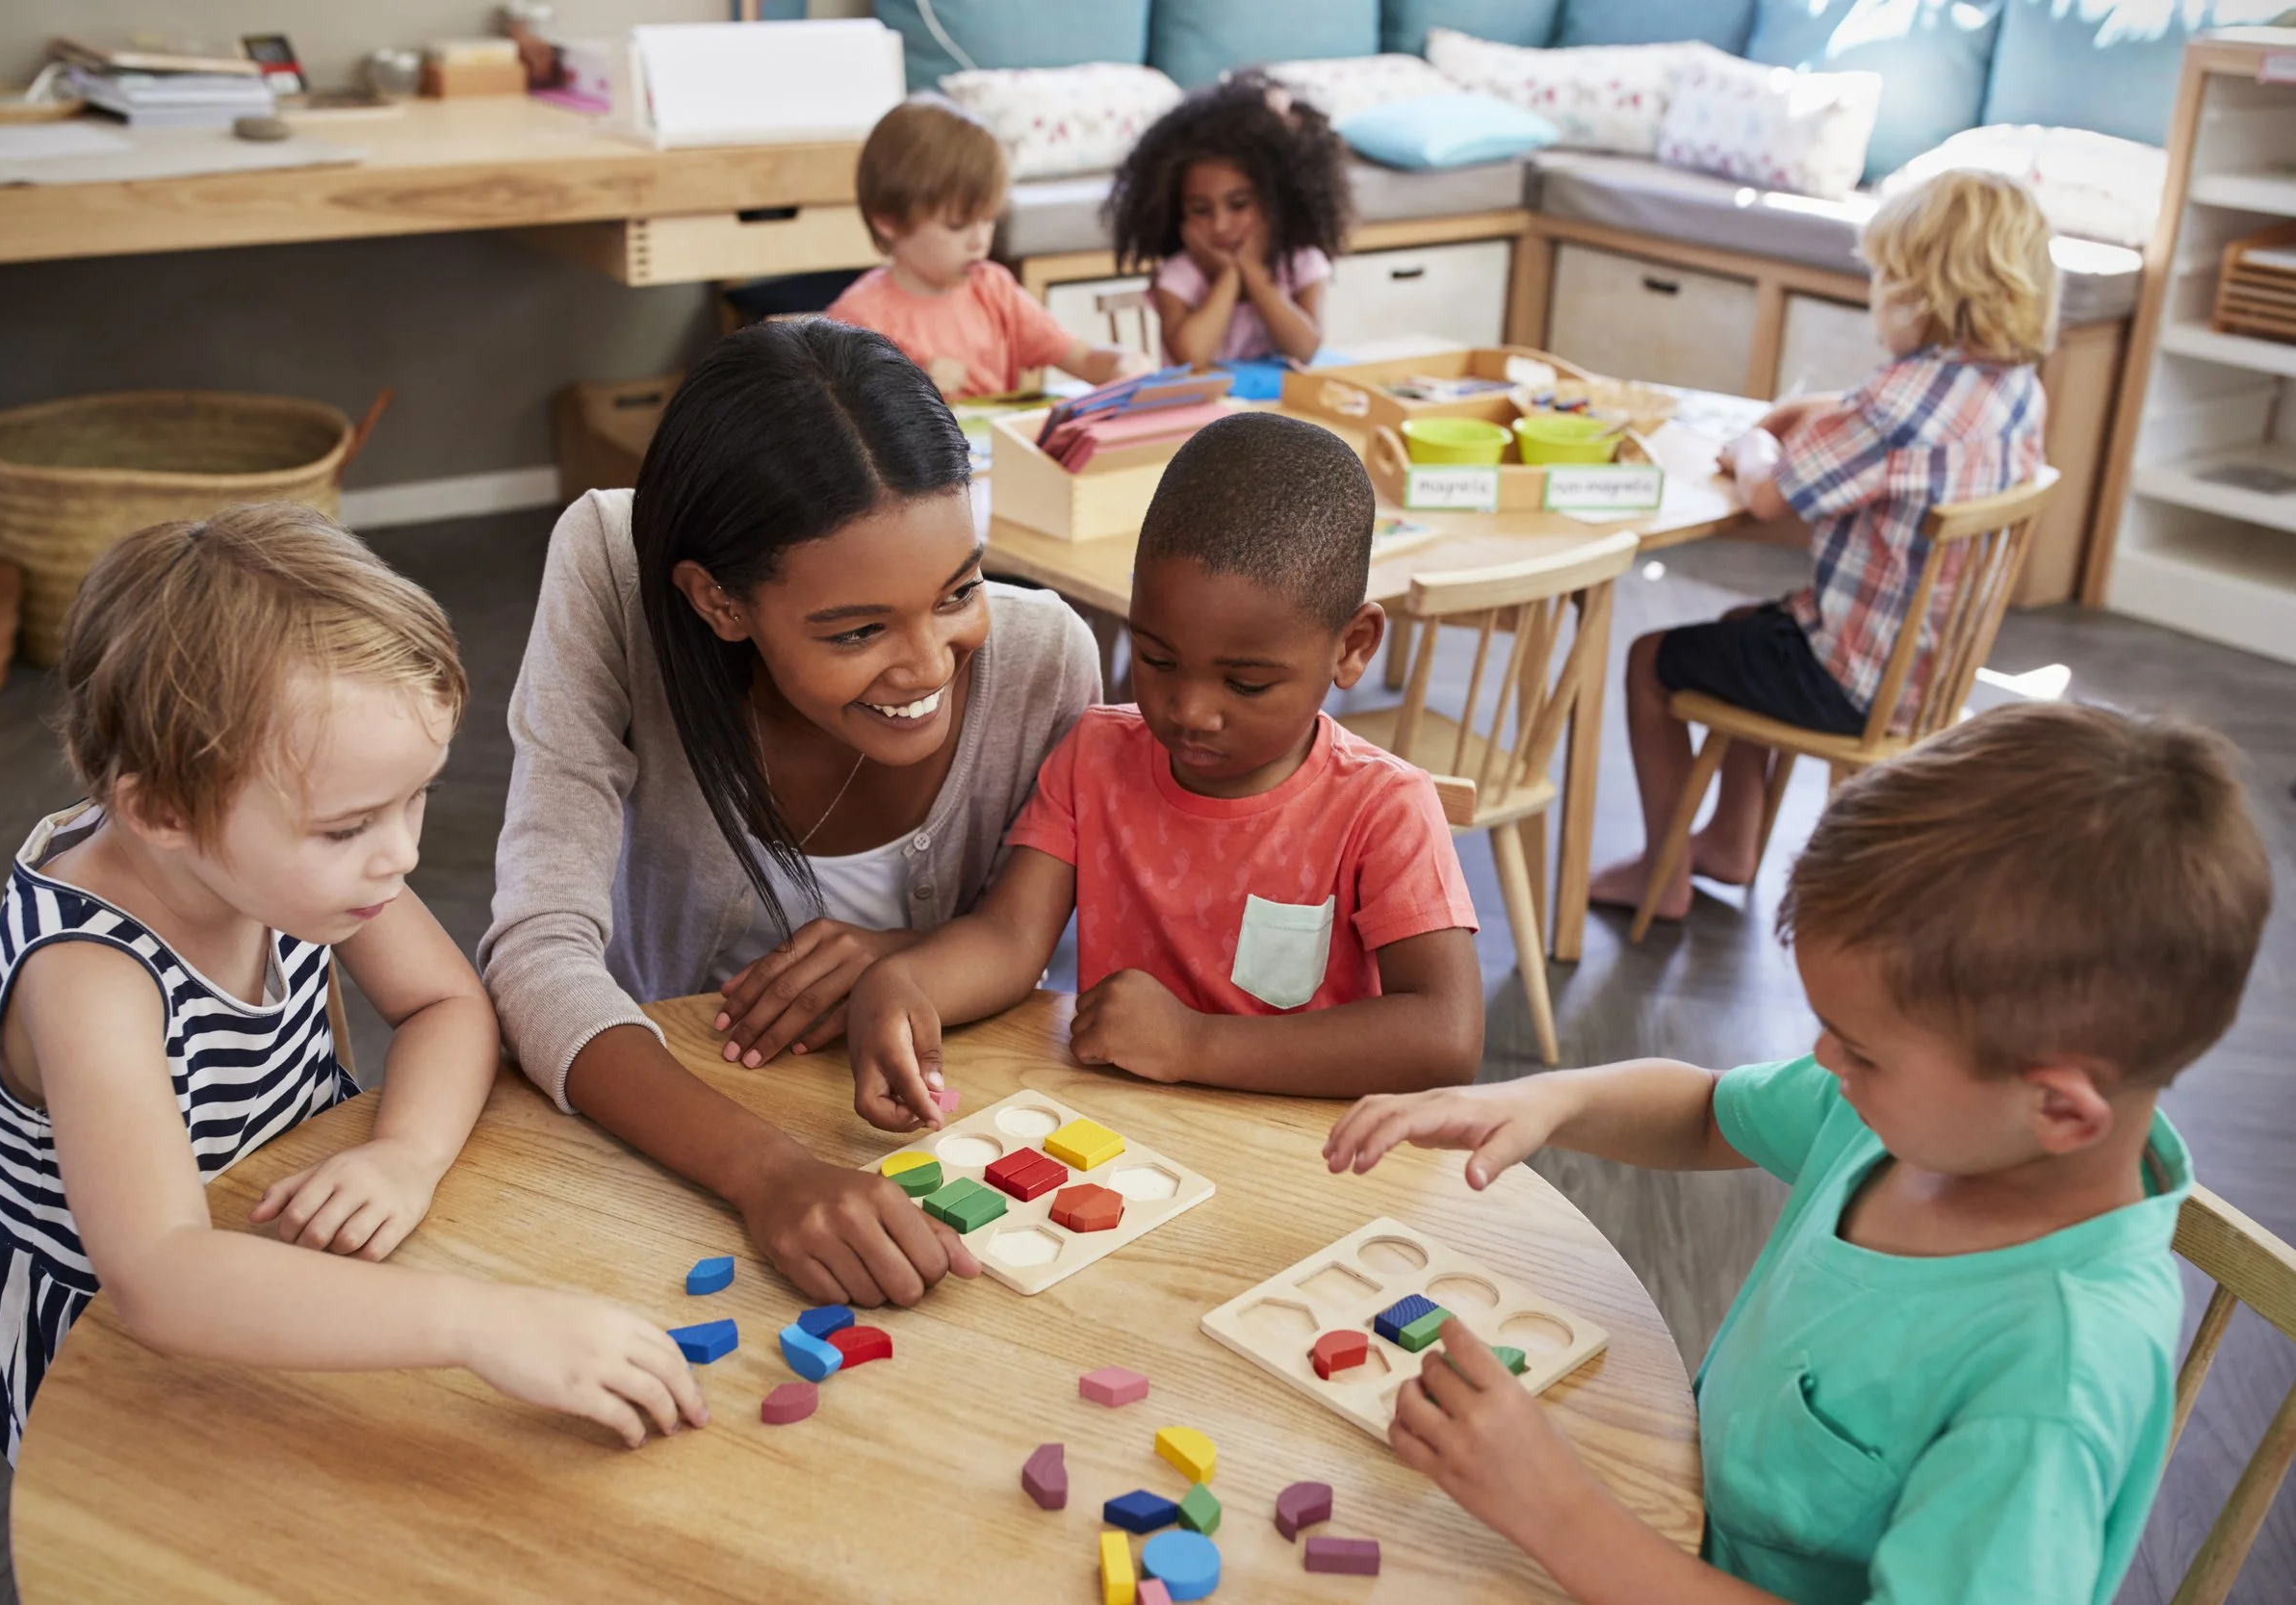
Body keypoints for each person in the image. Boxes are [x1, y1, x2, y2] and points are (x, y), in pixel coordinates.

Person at [1325, 702, 2273, 1604]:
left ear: (2062, 1110)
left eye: (1859, 1049)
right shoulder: (1922, 1120)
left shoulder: (2050, 1382)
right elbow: (1706, 1111)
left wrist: (1560, 1513)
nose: (1827, 1060)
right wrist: (1546, 1095)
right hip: (1670, 1524)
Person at [0, 505, 707, 1463]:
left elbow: (445, 1003)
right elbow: (160, 1275)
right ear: (161, 811)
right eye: (349, 825)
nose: (399, 853)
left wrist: (405, 1151)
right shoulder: (88, 977)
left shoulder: (276, 857)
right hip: (104, 1346)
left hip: (294, 1228)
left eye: (415, 797)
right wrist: (478, 1322)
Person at [479, 320, 1102, 1305]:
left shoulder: (1044, 659)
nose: (928, 665)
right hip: (670, 1124)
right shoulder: (614, 565)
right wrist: (768, 1173)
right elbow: (535, 951)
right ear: (718, 603)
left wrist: (907, 953)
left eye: (958, 590)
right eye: (856, 629)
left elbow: (1045, 959)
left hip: (940, 1151)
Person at [845, 411, 1482, 1127]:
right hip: (1124, 1139)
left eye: (1245, 684)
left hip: (1303, 1158)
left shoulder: (1384, 808)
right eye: (1157, 659)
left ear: (1352, 646)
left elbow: (1445, 1036)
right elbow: (1011, 939)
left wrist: (1194, 1042)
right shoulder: (1095, 755)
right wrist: (903, 980)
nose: (1190, 710)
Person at [1590, 168, 2054, 920]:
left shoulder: (1895, 400)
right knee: (1746, 625)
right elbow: (1901, 431)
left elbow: (1771, 493)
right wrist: (1827, 409)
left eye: (1882, 280)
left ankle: (1662, 872)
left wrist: (1748, 445)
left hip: (1851, 682)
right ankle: (1731, 842)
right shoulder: (2015, 386)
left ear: (1922, 292)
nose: (1875, 297)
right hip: (1927, 673)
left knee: (1652, 661)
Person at [825, 96, 1149, 399]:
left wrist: (1123, 363)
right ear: (890, 221)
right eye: (957, 226)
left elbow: (1085, 358)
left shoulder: (993, 289)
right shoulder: (858, 319)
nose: (979, 241)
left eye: (988, 220)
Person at [1107, 74, 1353, 371]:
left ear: (1276, 201)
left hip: (1275, 414)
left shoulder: (1301, 262)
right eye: (1200, 209)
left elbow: (1304, 348)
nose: (1221, 225)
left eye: (1239, 205)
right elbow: (1191, 357)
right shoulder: (1179, 275)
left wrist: (1253, 272)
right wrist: (1228, 276)